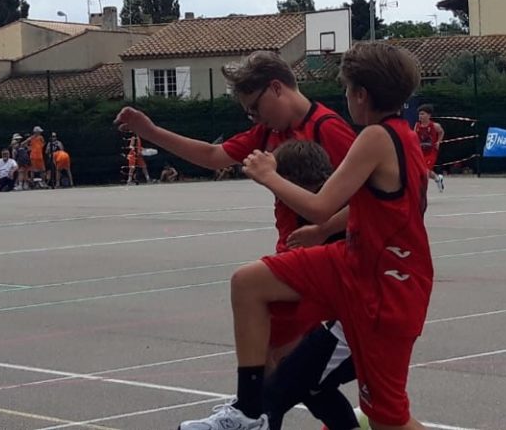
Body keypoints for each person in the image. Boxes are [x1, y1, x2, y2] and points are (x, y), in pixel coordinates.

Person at [175, 42, 432, 430]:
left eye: (347, 89)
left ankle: (257, 410)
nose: (346, 96)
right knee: (248, 282)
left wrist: (269, 176)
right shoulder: (402, 137)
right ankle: (249, 412)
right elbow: (374, 208)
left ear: (360, 94)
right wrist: (325, 232)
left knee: (388, 418)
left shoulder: (376, 138)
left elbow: (320, 205)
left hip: (384, 285)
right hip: (354, 261)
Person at [115, 50, 358, 381]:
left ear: (276, 88)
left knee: (279, 357)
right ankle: (257, 403)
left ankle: (249, 404)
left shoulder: (328, 129)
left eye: (255, 108)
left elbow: (368, 200)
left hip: (325, 263)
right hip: (291, 254)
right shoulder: (268, 132)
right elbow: (213, 155)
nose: (254, 118)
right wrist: (151, 131)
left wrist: (323, 229)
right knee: (280, 361)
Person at [260, 141, 359, 430]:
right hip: (343, 319)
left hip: (357, 324)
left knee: (274, 394)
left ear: (290, 180)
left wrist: (323, 229)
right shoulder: (318, 208)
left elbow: (363, 208)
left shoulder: (328, 208)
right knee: (313, 388)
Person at [416, 104, 444, 192]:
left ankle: (422, 191)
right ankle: (437, 178)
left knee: (425, 171)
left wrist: (438, 141)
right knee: (422, 170)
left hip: (431, 152)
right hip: (421, 151)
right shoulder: (417, 126)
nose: (420, 116)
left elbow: (441, 132)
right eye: (419, 114)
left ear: (429, 115)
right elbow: (414, 137)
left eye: (422, 114)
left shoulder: (435, 126)